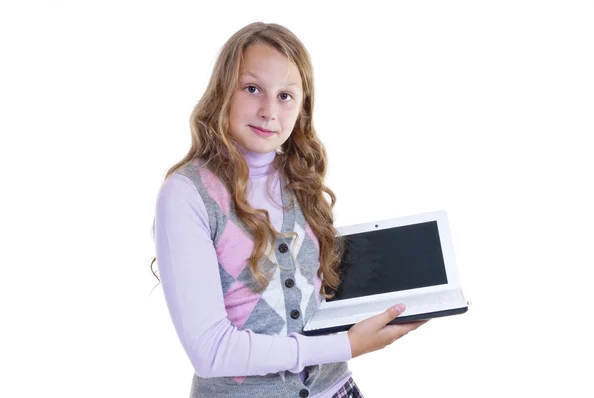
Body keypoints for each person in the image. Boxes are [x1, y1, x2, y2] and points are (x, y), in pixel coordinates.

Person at [151, 22, 428, 398]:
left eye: (285, 96)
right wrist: (347, 345)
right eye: (252, 89)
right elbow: (211, 352)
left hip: (337, 389)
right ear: (222, 93)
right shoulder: (187, 195)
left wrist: (396, 301)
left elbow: (314, 295)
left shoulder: (299, 178)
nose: (268, 111)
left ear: (302, 107)